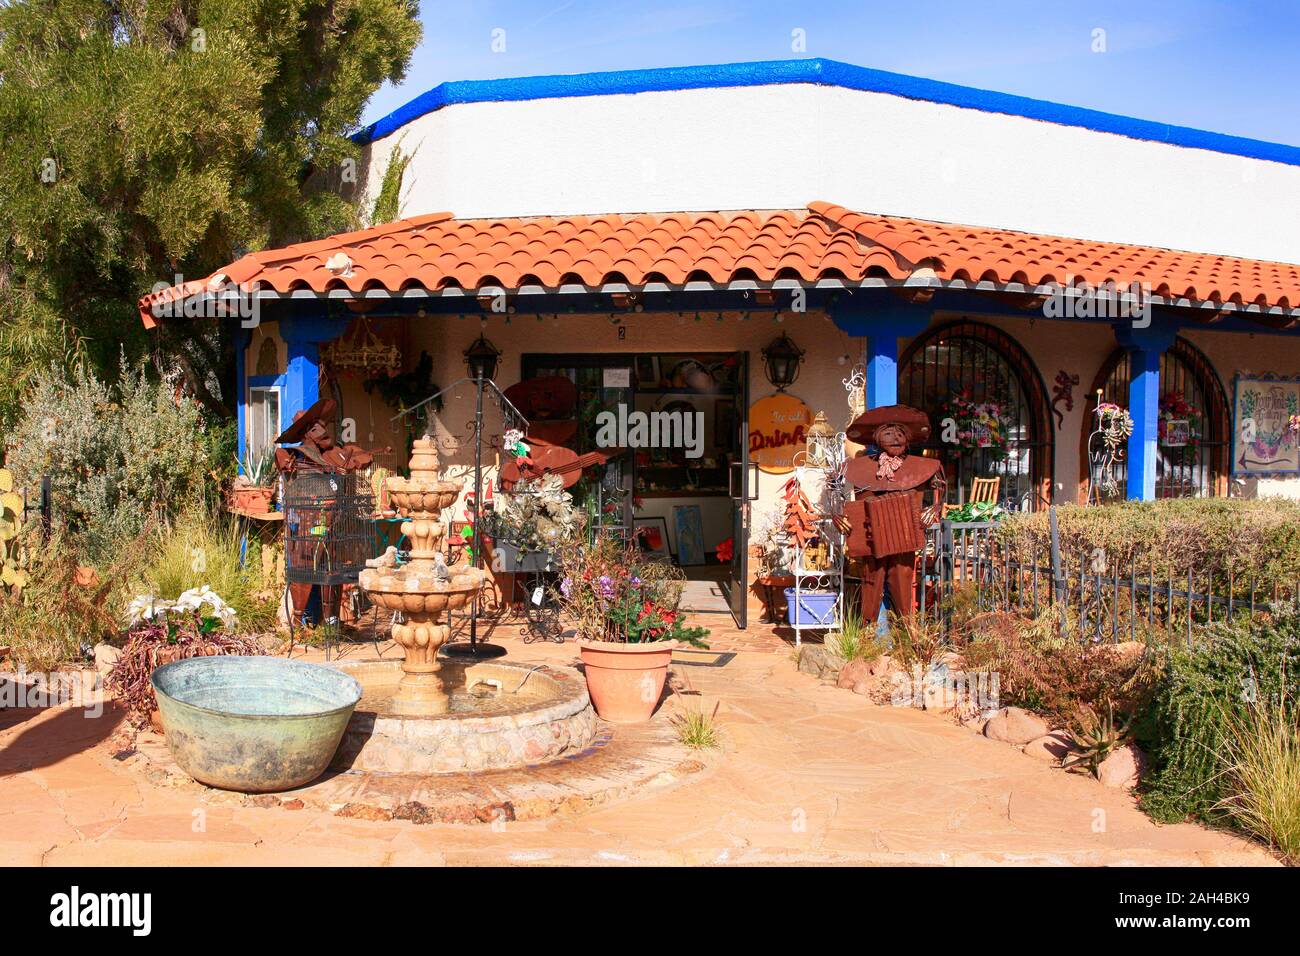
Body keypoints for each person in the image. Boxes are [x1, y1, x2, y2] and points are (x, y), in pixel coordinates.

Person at [842, 405, 946, 623]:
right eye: (889, 433)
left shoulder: (922, 466)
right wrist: (837, 516)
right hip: (871, 537)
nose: (895, 438)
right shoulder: (858, 467)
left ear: (908, 439)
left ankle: (907, 629)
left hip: (905, 535)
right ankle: (866, 631)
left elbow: (940, 487)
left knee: (902, 578)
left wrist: (934, 509)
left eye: (900, 434)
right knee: (871, 579)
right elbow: (834, 488)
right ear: (878, 439)